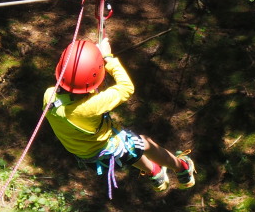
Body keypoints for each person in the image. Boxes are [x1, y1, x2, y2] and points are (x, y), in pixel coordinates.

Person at [43, 37, 195, 193]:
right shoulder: (91, 106)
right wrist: (107, 58)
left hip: (85, 154)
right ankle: (183, 168)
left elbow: (74, 91)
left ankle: (156, 174)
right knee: (144, 143)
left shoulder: (49, 96)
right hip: (109, 149)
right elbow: (126, 87)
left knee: (132, 150)